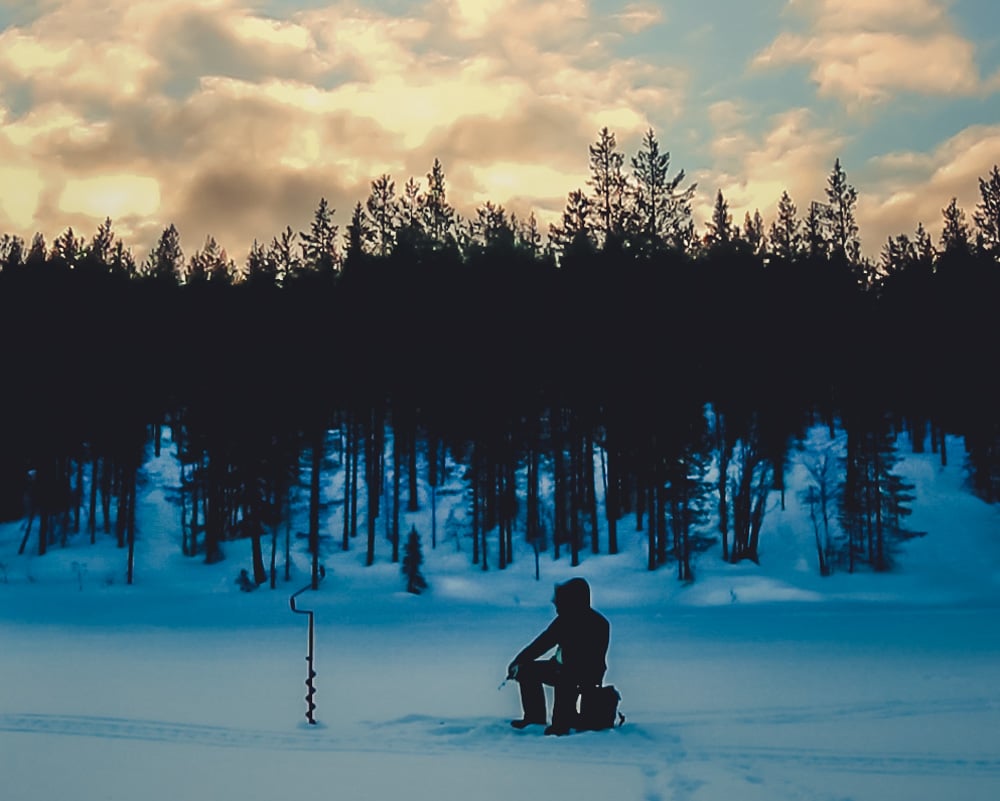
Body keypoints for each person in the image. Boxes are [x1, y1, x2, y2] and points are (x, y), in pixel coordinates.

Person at [506, 577, 610, 736]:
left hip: (585, 674)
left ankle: (562, 722)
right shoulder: (568, 620)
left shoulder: (589, 623)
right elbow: (542, 643)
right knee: (526, 670)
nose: (555, 603)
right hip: (565, 669)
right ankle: (535, 718)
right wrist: (518, 662)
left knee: (565, 677)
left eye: (561, 599)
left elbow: (586, 660)